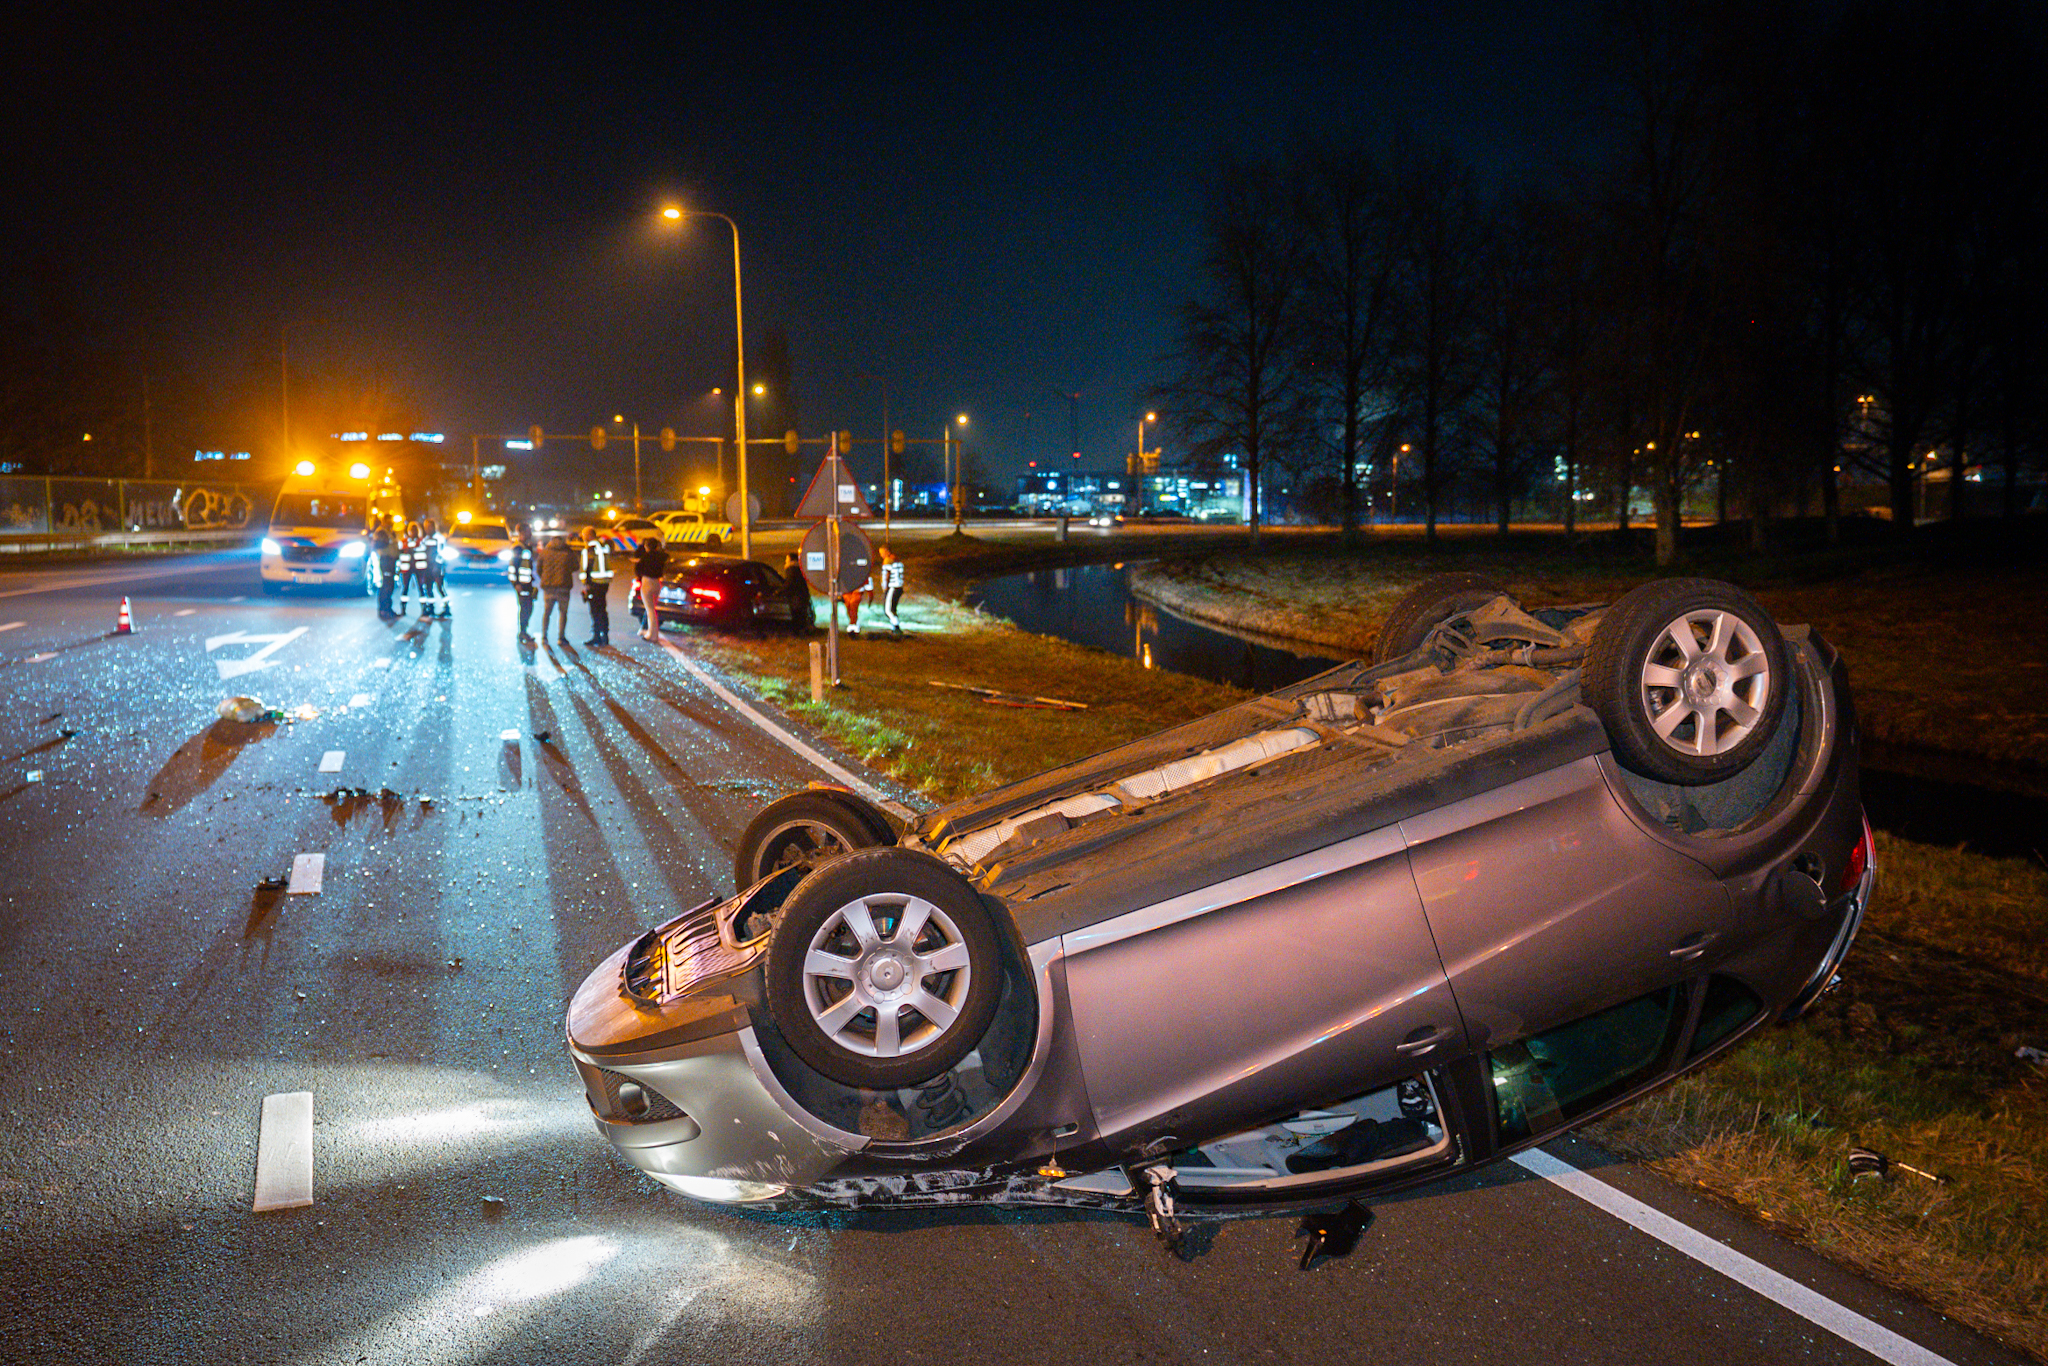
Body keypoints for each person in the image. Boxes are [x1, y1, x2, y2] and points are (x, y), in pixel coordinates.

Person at [537, 531, 576, 642]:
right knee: (563, 613)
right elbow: (575, 566)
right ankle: (561, 637)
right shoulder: (568, 552)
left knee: (547, 612)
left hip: (549, 587)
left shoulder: (545, 552)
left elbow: (539, 569)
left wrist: (545, 577)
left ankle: (544, 636)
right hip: (564, 586)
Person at [580, 527, 615, 646]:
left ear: (589, 535)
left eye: (584, 535)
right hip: (604, 583)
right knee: (602, 609)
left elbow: (589, 567)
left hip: (594, 583)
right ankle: (604, 636)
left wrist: (587, 584)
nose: (582, 537)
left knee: (595, 610)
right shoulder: (603, 546)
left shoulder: (591, 549)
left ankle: (597, 636)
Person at [506, 521, 538, 644]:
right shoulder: (518, 547)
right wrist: (516, 584)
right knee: (526, 608)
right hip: (522, 585)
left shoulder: (525, 546)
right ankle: (522, 632)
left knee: (528, 607)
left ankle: (524, 631)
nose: (531, 533)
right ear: (523, 532)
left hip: (526, 584)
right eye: (528, 531)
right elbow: (513, 567)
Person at [634, 533, 668, 642]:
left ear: (647, 546)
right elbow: (666, 555)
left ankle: (652, 635)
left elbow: (637, 568)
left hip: (647, 582)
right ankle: (652, 633)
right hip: (657, 583)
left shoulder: (645, 557)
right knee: (653, 609)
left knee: (650, 610)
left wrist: (640, 546)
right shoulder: (661, 556)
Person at [420, 517, 451, 618]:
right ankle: (431, 608)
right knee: (428, 588)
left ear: (433, 527)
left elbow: (441, 553)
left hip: (437, 567)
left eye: (429, 527)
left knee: (439, 587)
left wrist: (437, 566)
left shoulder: (439, 538)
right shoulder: (425, 539)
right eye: (426, 527)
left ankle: (447, 608)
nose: (427, 529)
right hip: (428, 567)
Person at [372, 513, 400, 619]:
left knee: (390, 585)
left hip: (391, 561)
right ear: (384, 521)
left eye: (391, 521)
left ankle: (388, 609)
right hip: (386, 560)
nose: (390, 523)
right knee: (386, 586)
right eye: (388, 521)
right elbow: (378, 545)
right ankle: (384, 610)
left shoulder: (390, 532)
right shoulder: (381, 532)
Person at [396, 519, 426, 616]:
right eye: (411, 530)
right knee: (405, 589)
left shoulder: (421, 541)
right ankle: (403, 608)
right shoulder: (403, 541)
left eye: (415, 530)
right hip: (407, 569)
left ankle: (424, 608)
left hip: (418, 568)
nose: (413, 532)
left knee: (421, 588)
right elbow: (399, 554)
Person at [781, 552, 814, 633]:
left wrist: (780, 591)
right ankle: (802, 630)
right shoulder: (798, 569)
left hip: (796, 597)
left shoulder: (791, 569)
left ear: (791, 560)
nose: (786, 560)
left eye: (787, 559)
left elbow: (790, 583)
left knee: (796, 615)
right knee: (801, 614)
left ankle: (798, 632)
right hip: (802, 596)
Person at [877, 545, 906, 633]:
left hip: (893, 587)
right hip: (899, 587)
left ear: (887, 551)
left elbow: (887, 575)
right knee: (892, 609)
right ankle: (894, 627)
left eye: (882, 553)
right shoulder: (897, 559)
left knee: (888, 610)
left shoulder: (888, 561)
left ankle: (896, 628)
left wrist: (885, 587)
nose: (881, 555)